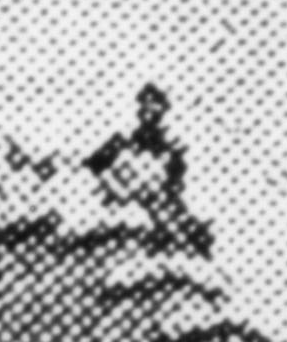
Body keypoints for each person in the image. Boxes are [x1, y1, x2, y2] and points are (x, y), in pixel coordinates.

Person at [84, 85, 211, 253]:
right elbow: (95, 164)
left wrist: (171, 179)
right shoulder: (124, 138)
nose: (149, 110)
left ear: (162, 110)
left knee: (164, 204)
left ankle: (184, 235)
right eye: (146, 104)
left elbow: (175, 175)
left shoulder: (167, 144)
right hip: (120, 194)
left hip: (148, 194)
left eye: (155, 105)